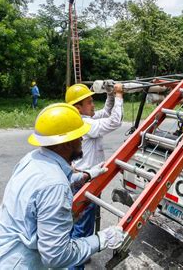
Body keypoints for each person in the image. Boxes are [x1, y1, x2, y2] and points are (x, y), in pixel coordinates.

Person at [0, 103, 125, 269]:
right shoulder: (55, 185)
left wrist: (84, 176)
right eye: (78, 136)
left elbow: (37, 191)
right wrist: (102, 239)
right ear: (66, 143)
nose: (82, 139)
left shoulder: (31, 159)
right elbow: (57, 256)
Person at [65, 82, 124, 244]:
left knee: (76, 221)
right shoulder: (86, 124)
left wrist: (110, 95)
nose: (93, 105)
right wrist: (119, 95)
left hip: (80, 176)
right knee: (82, 228)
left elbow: (105, 112)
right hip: (86, 179)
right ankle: (76, 259)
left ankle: (73, 253)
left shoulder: (79, 119)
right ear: (78, 108)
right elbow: (114, 121)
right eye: (89, 102)